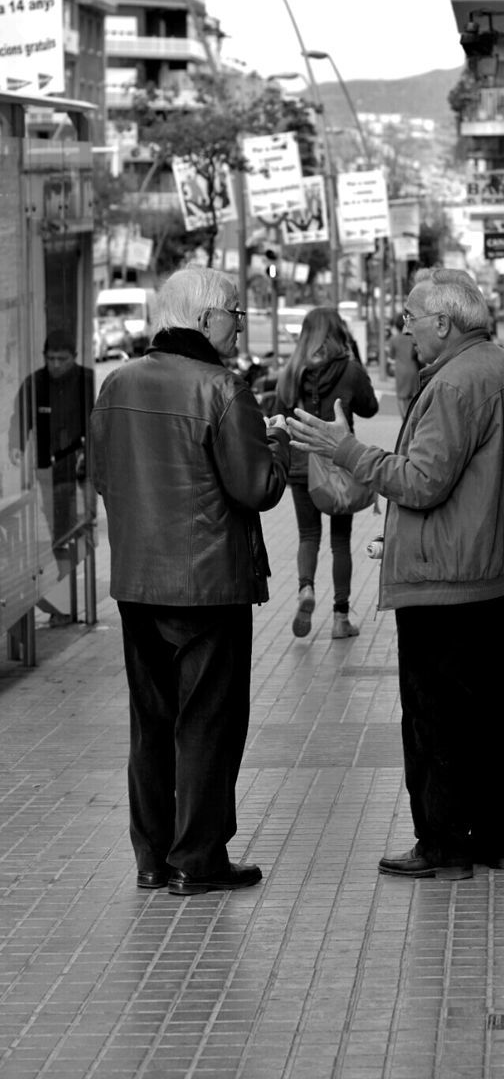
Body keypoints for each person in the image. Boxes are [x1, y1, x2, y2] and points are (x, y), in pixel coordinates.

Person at [287, 268, 504, 880]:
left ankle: (443, 846)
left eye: (410, 316)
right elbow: (477, 487)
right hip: (489, 577)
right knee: (488, 713)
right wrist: (405, 535)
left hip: (447, 586)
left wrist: (342, 447)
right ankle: (494, 839)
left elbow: (422, 480)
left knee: (436, 719)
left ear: (443, 322)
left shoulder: (455, 384)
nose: (402, 327)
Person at [90, 268, 289, 896]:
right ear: (203, 321)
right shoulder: (224, 390)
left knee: (151, 721)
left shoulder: (117, 384)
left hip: (136, 580)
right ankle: (197, 859)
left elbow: (102, 475)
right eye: (234, 311)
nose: (239, 322)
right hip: (208, 584)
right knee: (207, 722)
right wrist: (279, 449)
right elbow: (255, 486)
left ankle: (151, 857)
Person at [274, 306, 378, 640]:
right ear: (339, 332)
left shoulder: (291, 371)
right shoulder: (349, 370)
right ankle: (340, 618)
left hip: (300, 465)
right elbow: (370, 407)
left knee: (308, 535)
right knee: (340, 542)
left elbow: (280, 413)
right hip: (338, 463)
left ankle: (306, 590)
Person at [8, 329, 95, 626]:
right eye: (51, 358)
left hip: (80, 467)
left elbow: (97, 420)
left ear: (74, 357)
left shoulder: (85, 380)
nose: (56, 364)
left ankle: (68, 601)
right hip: (48, 468)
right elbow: (20, 417)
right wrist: (16, 446)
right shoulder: (36, 382)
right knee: (61, 530)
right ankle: (63, 600)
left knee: (73, 530)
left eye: (62, 359)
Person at [387, 311, 423, 419]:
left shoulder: (394, 339)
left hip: (401, 372)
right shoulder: (414, 337)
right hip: (414, 370)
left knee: (402, 400)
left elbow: (391, 356)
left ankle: (406, 422)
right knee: (415, 399)